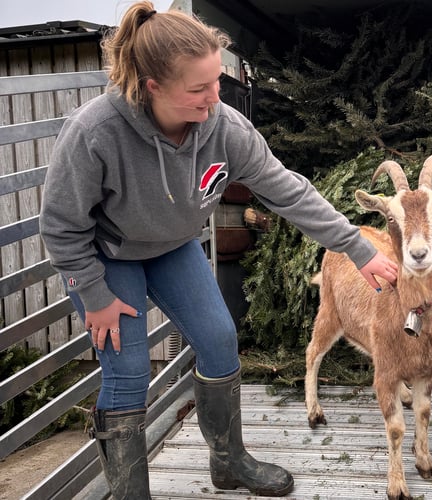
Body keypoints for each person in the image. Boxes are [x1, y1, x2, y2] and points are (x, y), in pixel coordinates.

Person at [39, 2, 398, 498]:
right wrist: (93, 294)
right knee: (127, 373)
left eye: (217, 82)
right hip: (106, 257)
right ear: (153, 88)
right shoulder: (95, 132)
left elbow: (288, 191)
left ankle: (229, 463)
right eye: (199, 89)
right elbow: (60, 225)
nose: (215, 98)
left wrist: (358, 248)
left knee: (219, 340)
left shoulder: (224, 126)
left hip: (171, 246)